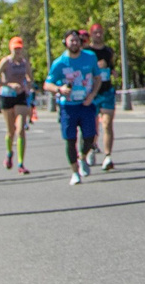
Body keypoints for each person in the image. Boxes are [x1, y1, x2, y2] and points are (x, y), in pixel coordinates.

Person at [44, 30, 103, 184]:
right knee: (70, 140)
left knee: (90, 137)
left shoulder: (89, 58)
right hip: (68, 106)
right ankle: (74, 172)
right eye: (72, 40)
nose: (75, 43)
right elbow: (47, 84)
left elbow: (97, 78)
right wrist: (60, 89)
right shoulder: (59, 63)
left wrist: (92, 95)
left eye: (77, 40)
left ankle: (82, 157)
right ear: (65, 42)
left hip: (86, 104)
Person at [0, 37, 35, 174]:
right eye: (15, 48)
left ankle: (21, 163)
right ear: (11, 48)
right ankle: (9, 153)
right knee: (10, 131)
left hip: (20, 96)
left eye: (19, 48)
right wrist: (9, 84)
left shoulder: (24, 62)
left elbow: (30, 78)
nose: (17, 51)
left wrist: (27, 84)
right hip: (6, 96)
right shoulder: (6, 62)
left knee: (20, 129)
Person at [86, 24, 118, 172]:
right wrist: (97, 67)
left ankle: (108, 156)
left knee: (107, 123)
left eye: (100, 32)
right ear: (91, 35)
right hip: (92, 92)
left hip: (106, 91)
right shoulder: (87, 52)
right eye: (95, 33)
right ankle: (92, 149)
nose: (98, 35)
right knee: (92, 126)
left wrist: (112, 70)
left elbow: (111, 66)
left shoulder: (108, 51)